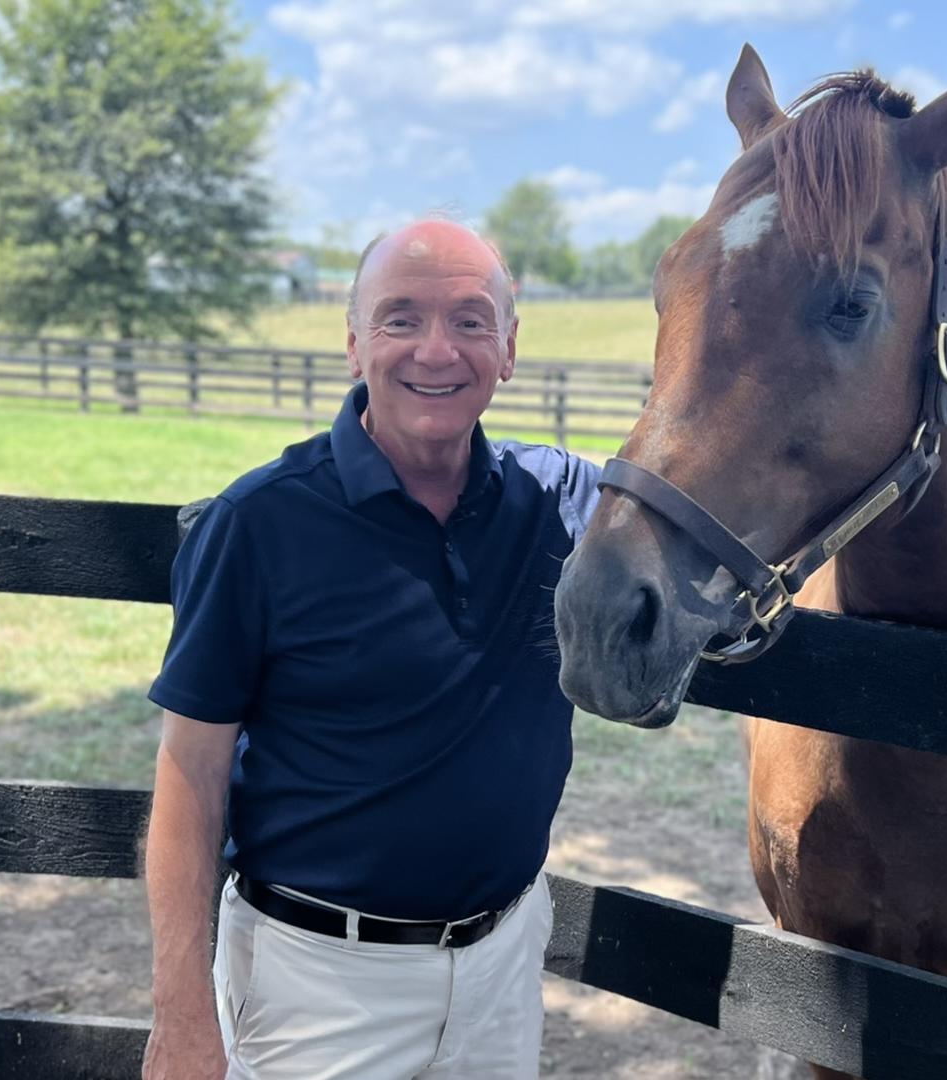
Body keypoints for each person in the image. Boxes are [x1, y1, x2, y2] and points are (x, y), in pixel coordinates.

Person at [141, 219, 602, 1080]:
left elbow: (707, 497)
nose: (437, 350)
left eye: (470, 320)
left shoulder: (558, 502)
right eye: (400, 319)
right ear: (354, 343)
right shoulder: (260, 525)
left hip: (501, 963)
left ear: (509, 348)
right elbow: (190, 771)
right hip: (317, 981)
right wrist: (180, 1011)